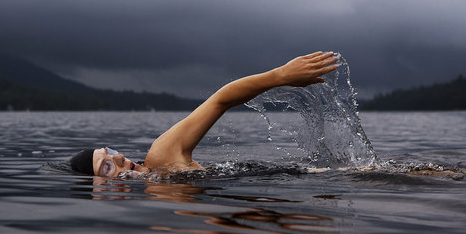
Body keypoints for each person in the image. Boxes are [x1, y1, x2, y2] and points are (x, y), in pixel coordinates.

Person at [69, 51, 339, 177]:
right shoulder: (158, 204)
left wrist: (280, 76)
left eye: (111, 151)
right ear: (99, 190)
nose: (119, 158)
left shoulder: (161, 157)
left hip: (322, 177)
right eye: (106, 166)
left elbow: (219, 101)